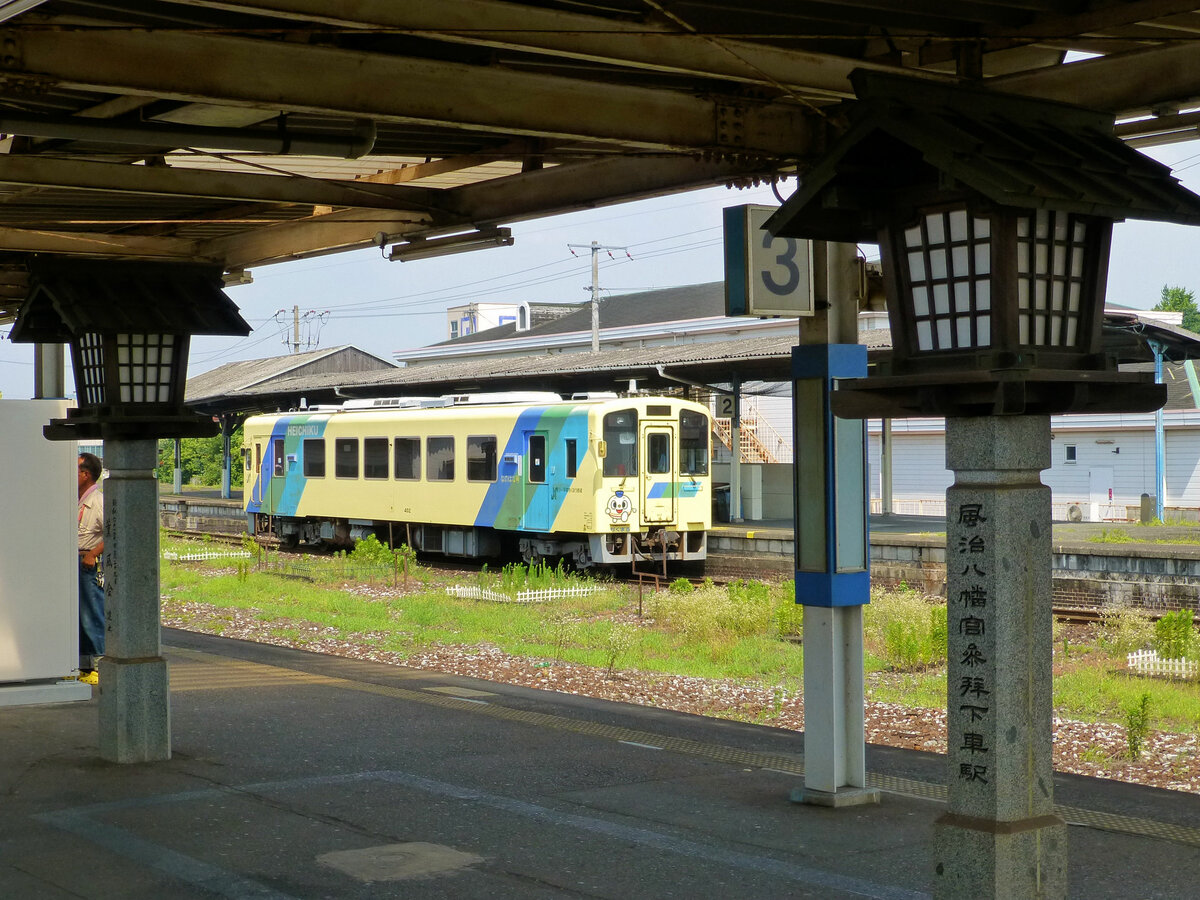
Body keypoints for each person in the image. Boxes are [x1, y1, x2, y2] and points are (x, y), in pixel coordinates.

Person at [77, 452, 105, 686]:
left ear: (85, 475)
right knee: (75, 615)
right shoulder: (74, 499)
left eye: (75, 470)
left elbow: (114, 532)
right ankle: (81, 665)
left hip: (86, 563)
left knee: (91, 613)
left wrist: (93, 554)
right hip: (71, 562)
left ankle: (96, 665)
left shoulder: (98, 502)